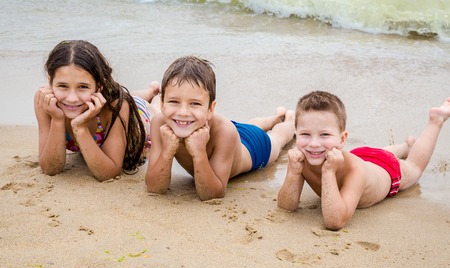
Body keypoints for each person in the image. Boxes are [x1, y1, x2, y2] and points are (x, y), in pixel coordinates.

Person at [277, 90, 450, 230]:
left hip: (386, 167)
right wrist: (293, 172)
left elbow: (334, 221)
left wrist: (328, 171)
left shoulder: (355, 171)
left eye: (325, 135)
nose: (314, 144)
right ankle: (405, 146)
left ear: (342, 139)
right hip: (360, 154)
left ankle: (436, 120)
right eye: (306, 134)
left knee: (413, 167)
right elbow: (286, 206)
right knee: (379, 153)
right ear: (296, 134)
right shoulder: (302, 158)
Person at [145, 56, 295, 201]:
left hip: (252, 147)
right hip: (219, 129)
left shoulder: (225, 132)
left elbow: (212, 194)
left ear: (211, 109)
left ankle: (289, 120)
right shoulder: (159, 124)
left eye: (195, 104)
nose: (183, 112)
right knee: (250, 125)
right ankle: (274, 118)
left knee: (277, 138)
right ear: (162, 105)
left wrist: (199, 153)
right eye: (174, 101)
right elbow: (154, 187)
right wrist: (167, 151)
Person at [34, 40, 160, 181]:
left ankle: (156, 95)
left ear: (99, 86)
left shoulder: (115, 106)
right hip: (112, 100)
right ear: (50, 82)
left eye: (83, 87)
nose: (71, 98)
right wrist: (57, 120)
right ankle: (150, 90)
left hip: (140, 117)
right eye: (62, 86)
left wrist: (80, 128)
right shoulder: (46, 102)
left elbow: (109, 173)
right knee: (132, 96)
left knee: (154, 109)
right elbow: (50, 169)